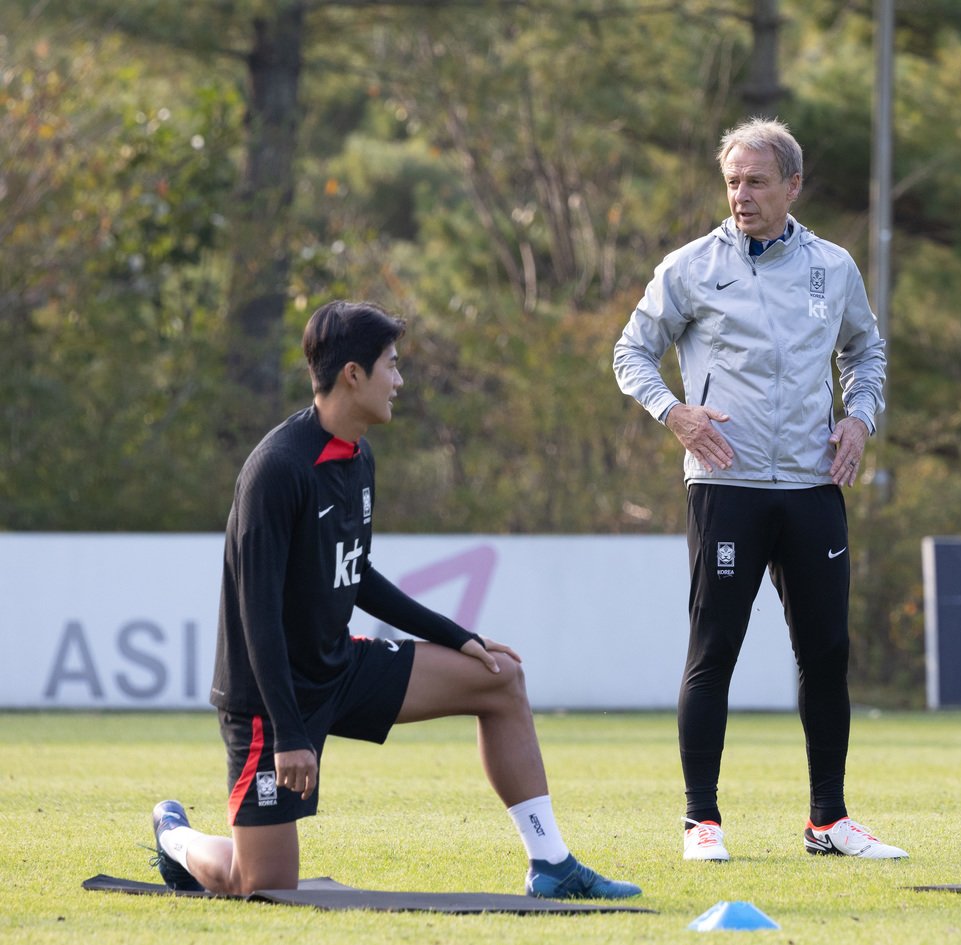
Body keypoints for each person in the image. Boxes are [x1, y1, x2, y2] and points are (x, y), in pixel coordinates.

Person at [149, 299, 639, 900]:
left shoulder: (358, 456)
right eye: (392, 365)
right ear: (353, 374)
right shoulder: (275, 469)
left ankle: (552, 863)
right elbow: (257, 618)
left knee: (500, 675)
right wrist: (288, 733)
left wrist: (460, 637)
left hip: (337, 667)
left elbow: (359, 576)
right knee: (262, 884)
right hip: (268, 698)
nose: (400, 381)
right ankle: (176, 839)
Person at [612, 117, 904, 862]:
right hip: (726, 485)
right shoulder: (689, 267)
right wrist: (673, 411)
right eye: (733, 181)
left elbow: (865, 351)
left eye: (756, 181)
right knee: (715, 651)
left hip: (812, 486)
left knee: (827, 652)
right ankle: (701, 821)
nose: (741, 195)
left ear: (792, 186)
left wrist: (860, 420)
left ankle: (828, 821)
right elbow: (631, 351)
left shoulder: (833, 267)